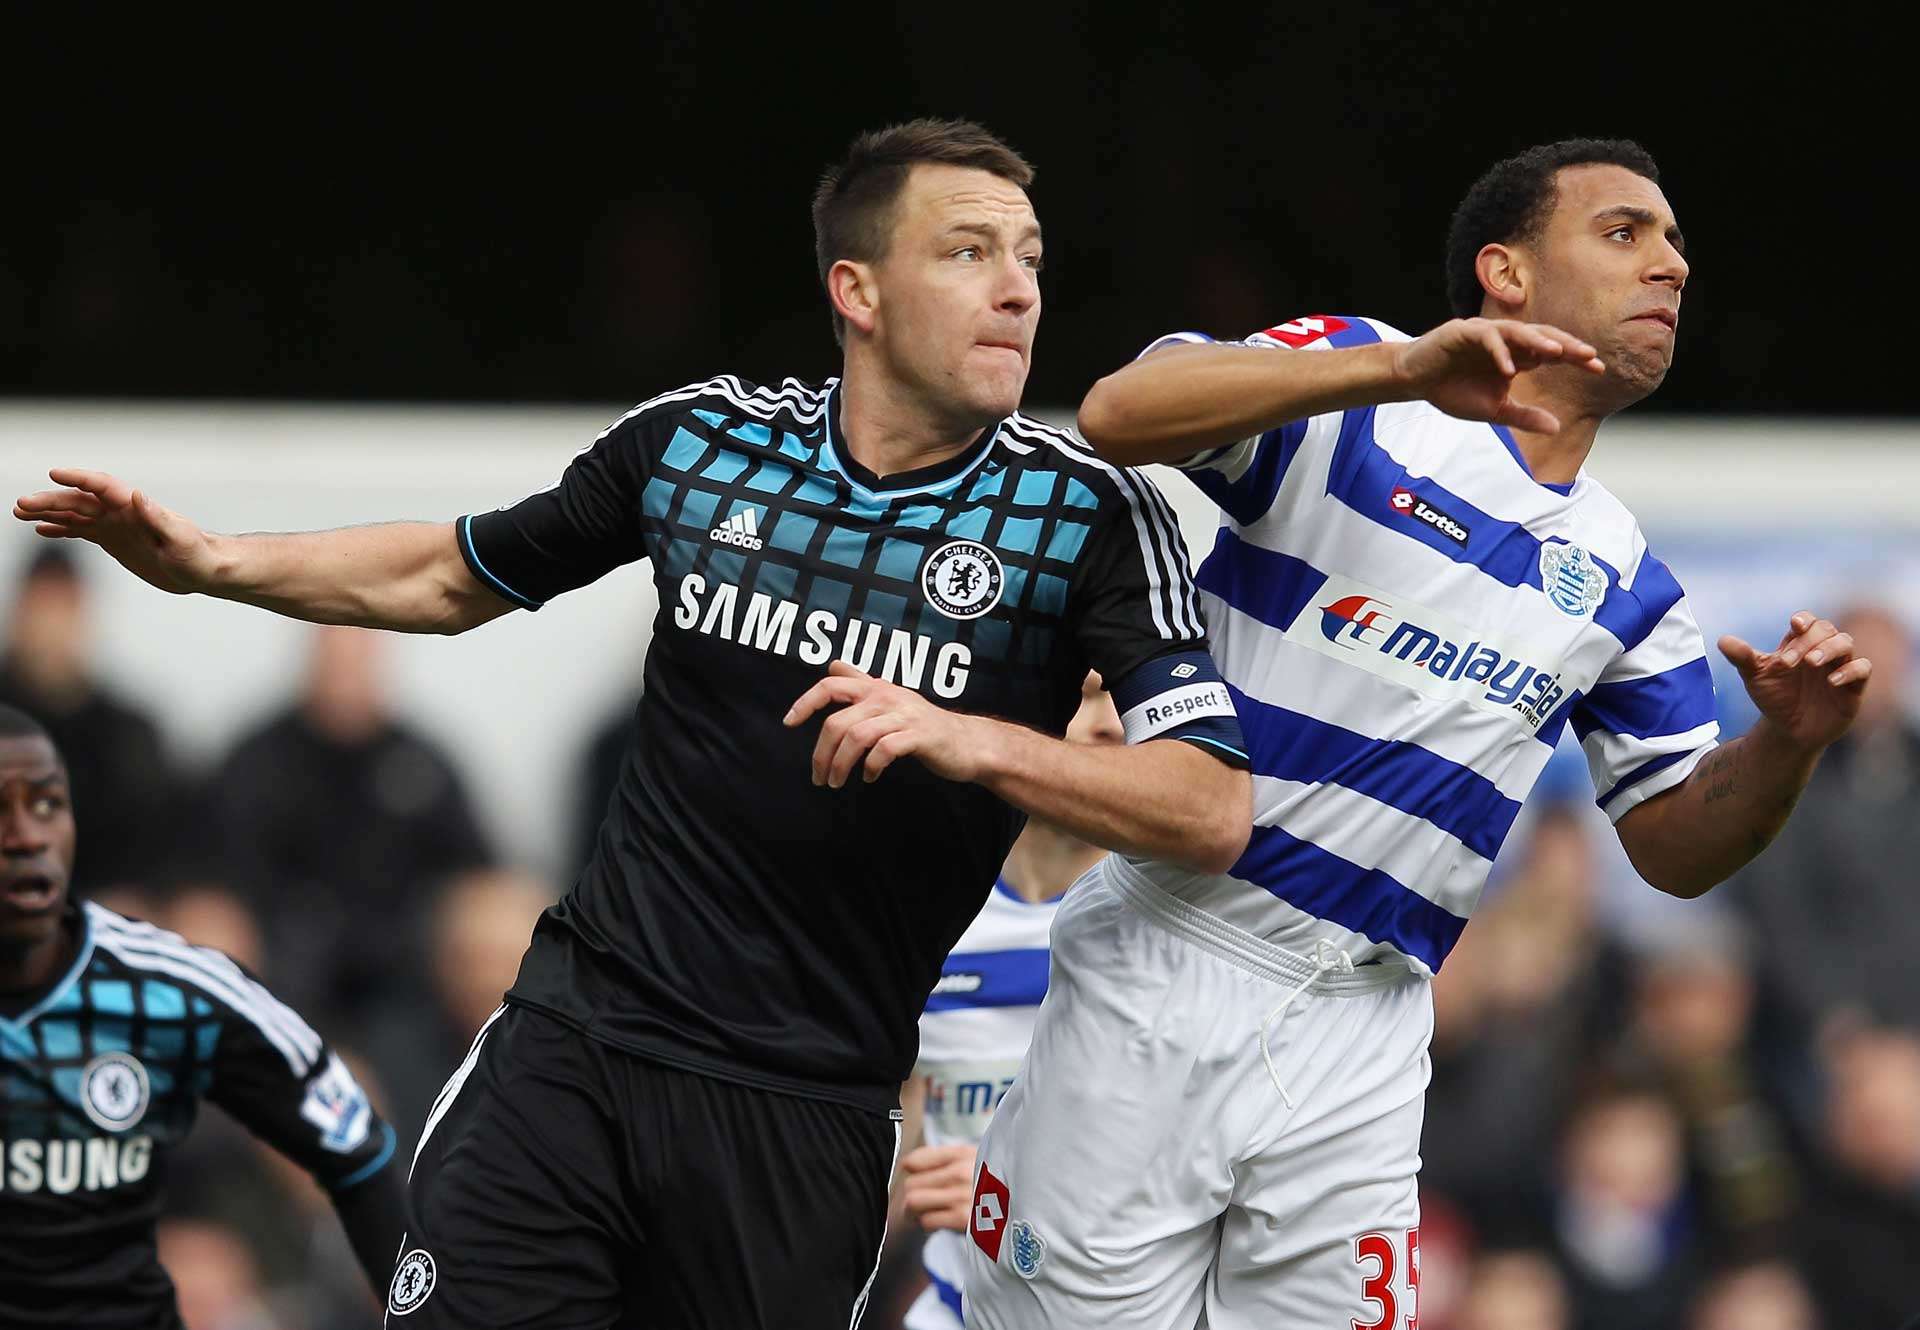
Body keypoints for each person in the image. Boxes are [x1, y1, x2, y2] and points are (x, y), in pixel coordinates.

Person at [14, 118, 1251, 1329]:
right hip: (581, 1041)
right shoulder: (703, 444)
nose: (1018, 290)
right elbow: (452, 574)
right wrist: (209, 559)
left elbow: (1211, 806)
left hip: (803, 1106)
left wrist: (974, 737)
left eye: (1031, 257)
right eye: (970, 251)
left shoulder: (1083, 514)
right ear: (856, 290)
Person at [967, 138, 1872, 1328]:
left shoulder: (1630, 582)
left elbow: (1674, 844)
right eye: (1625, 233)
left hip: (1373, 1022)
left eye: (1677, 245)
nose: (1672, 266)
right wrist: (1398, 366)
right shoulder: (1363, 392)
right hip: (1171, 960)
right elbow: (1120, 412)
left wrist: (1787, 744)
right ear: (1503, 271)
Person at [0, 703, 402, 1329]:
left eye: (46, 804)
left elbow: (359, 1152)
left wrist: (423, 1318)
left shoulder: (167, 990)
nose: (26, 834)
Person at [894, 671, 1121, 1329]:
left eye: (1122, 697)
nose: (1109, 723)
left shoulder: (1181, 918)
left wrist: (1017, 1193)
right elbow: (894, 1153)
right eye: (1081, 695)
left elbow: (1210, 1163)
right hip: (951, 1310)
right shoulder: (921, 908)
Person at [0, 544, 180, 894]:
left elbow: (163, 847)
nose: (52, 624)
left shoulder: (131, 736)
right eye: (43, 605)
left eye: (64, 606)